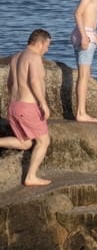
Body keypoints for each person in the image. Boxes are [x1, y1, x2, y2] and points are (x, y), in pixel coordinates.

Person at [0, 29, 52, 186]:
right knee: (43, 141)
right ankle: (31, 177)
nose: (47, 50)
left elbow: (9, 84)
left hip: (14, 106)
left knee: (26, 142)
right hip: (27, 107)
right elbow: (35, 81)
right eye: (47, 46)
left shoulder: (16, 57)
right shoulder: (34, 57)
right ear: (40, 43)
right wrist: (43, 103)